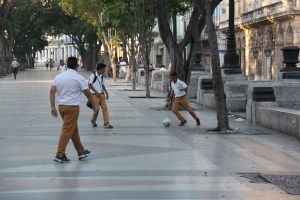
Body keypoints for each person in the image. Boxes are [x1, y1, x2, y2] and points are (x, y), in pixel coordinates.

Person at [50, 56, 96, 163]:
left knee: (73, 129)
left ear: (66, 65)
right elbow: (88, 93)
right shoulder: (78, 78)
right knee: (67, 130)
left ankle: (81, 151)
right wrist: (94, 105)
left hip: (61, 107)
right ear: (77, 65)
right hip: (72, 107)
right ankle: (60, 154)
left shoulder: (59, 77)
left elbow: (52, 91)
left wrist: (52, 107)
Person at [88, 63, 113, 128]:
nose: (104, 71)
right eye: (103, 69)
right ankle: (93, 120)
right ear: (100, 69)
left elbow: (102, 85)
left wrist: (106, 93)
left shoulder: (102, 76)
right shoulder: (93, 76)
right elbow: (90, 85)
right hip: (94, 95)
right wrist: (96, 92)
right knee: (96, 109)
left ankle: (106, 123)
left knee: (104, 108)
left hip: (101, 94)